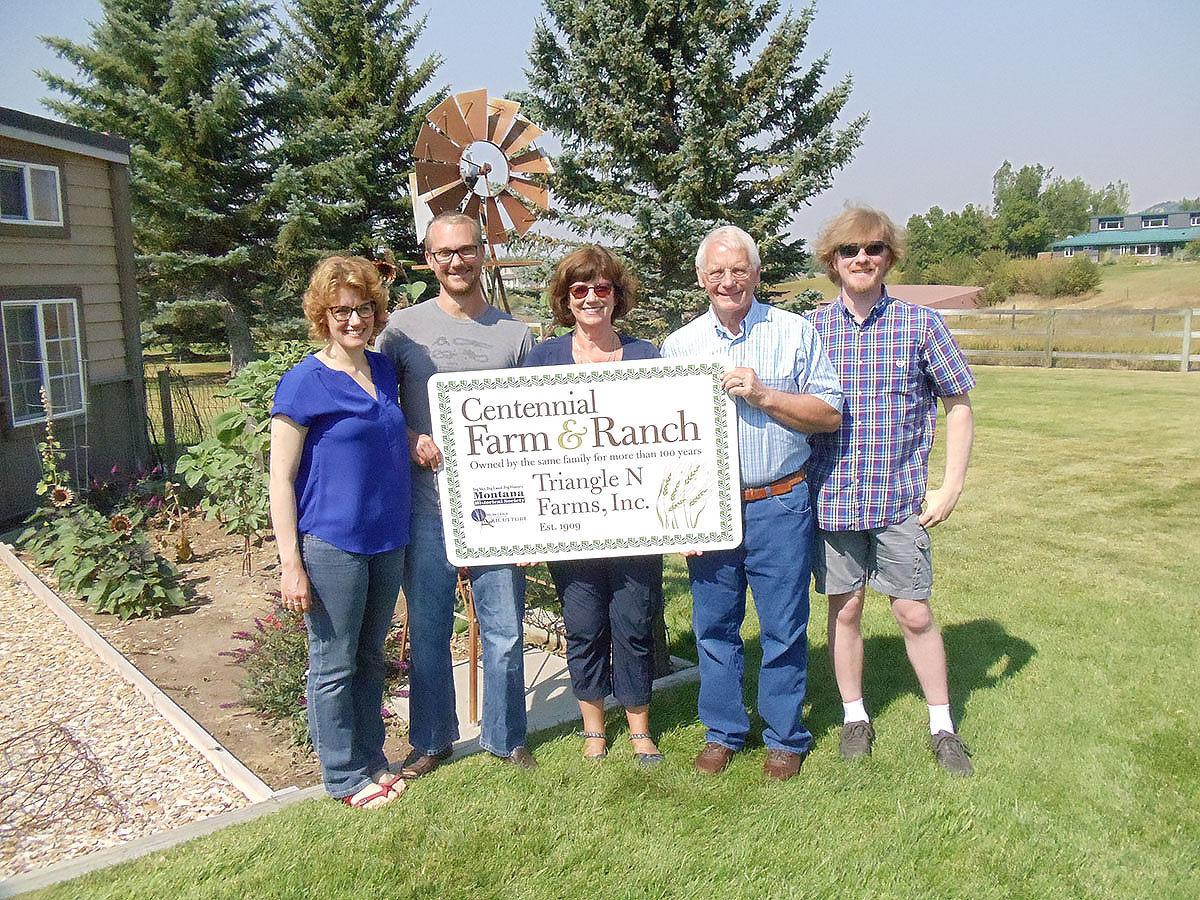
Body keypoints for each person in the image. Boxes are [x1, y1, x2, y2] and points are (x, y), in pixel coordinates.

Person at [661, 225, 842, 781]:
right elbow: (663, 435)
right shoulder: (680, 346)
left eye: (739, 269)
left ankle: (785, 735)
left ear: (757, 274)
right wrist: (678, 517)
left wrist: (765, 395)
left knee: (784, 625)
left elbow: (829, 413)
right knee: (714, 626)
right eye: (716, 272)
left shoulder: (794, 333)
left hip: (779, 502)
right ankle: (723, 731)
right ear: (700, 278)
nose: (728, 280)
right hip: (708, 509)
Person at [808, 206, 977, 776]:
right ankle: (855, 716)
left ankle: (942, 725)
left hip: (899, 502)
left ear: (889, 258)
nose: (862, 259)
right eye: (850, 250)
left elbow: (958, 405)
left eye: (874, 249)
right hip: (831, 501)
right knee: (846, 609)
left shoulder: (920, 325)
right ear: (832, 260)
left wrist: (949, 485)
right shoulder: (812, 330)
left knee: (913, 613)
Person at [376, 212, 537, 774]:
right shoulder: (400, 330)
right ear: (429, 258)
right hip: (426, 506)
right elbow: (376, 407)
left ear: (481, 253)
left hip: (499, 509)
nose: (456, 262)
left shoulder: (515, 334)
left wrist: (534, 521)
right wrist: (412, 436)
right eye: (444, 253)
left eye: (466, 250)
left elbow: (531, 423)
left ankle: (506, 736)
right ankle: (431, 739)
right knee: (428, 626)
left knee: (505, 628)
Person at [268, 255, 411, 808]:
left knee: (372, 655)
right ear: (322, 315)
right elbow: (280, 479)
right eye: (341, 310)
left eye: (364, 308)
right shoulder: (304, 381)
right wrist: (290, 563)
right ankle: (341, 776)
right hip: (332, 543)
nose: (354, 319)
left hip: (387, 540)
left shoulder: (384, 371)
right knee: (333, 662)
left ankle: (372, 759)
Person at [523, 246, 665, 767]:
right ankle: (592, 731)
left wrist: (690, 519)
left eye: (601, 288)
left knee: (632, 622)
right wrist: (524, 533)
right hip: (570, 523)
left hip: (636, 521)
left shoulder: (648, 356)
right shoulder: (542, 360)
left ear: (616, 295)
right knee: (584, 626)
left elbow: (675, 443)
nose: (590, 298)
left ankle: (639, 729)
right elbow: (523, 452)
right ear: (565, 299)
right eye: (578, 290)